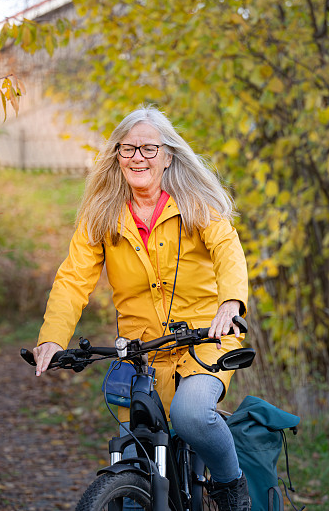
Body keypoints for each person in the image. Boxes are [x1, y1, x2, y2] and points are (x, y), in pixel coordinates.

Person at [32, 105, 251, 510]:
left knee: (190, 415)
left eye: (149, 149)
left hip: (205, 339)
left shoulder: (195, 204)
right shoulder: (101, 217)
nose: (138, 158)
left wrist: (231, 303)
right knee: (139, 450)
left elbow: (228, 251)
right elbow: (73, 279)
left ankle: (231, 487)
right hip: (141, 353)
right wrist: (52, 338)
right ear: (117, 157)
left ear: (167, 155)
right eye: (128, 149)